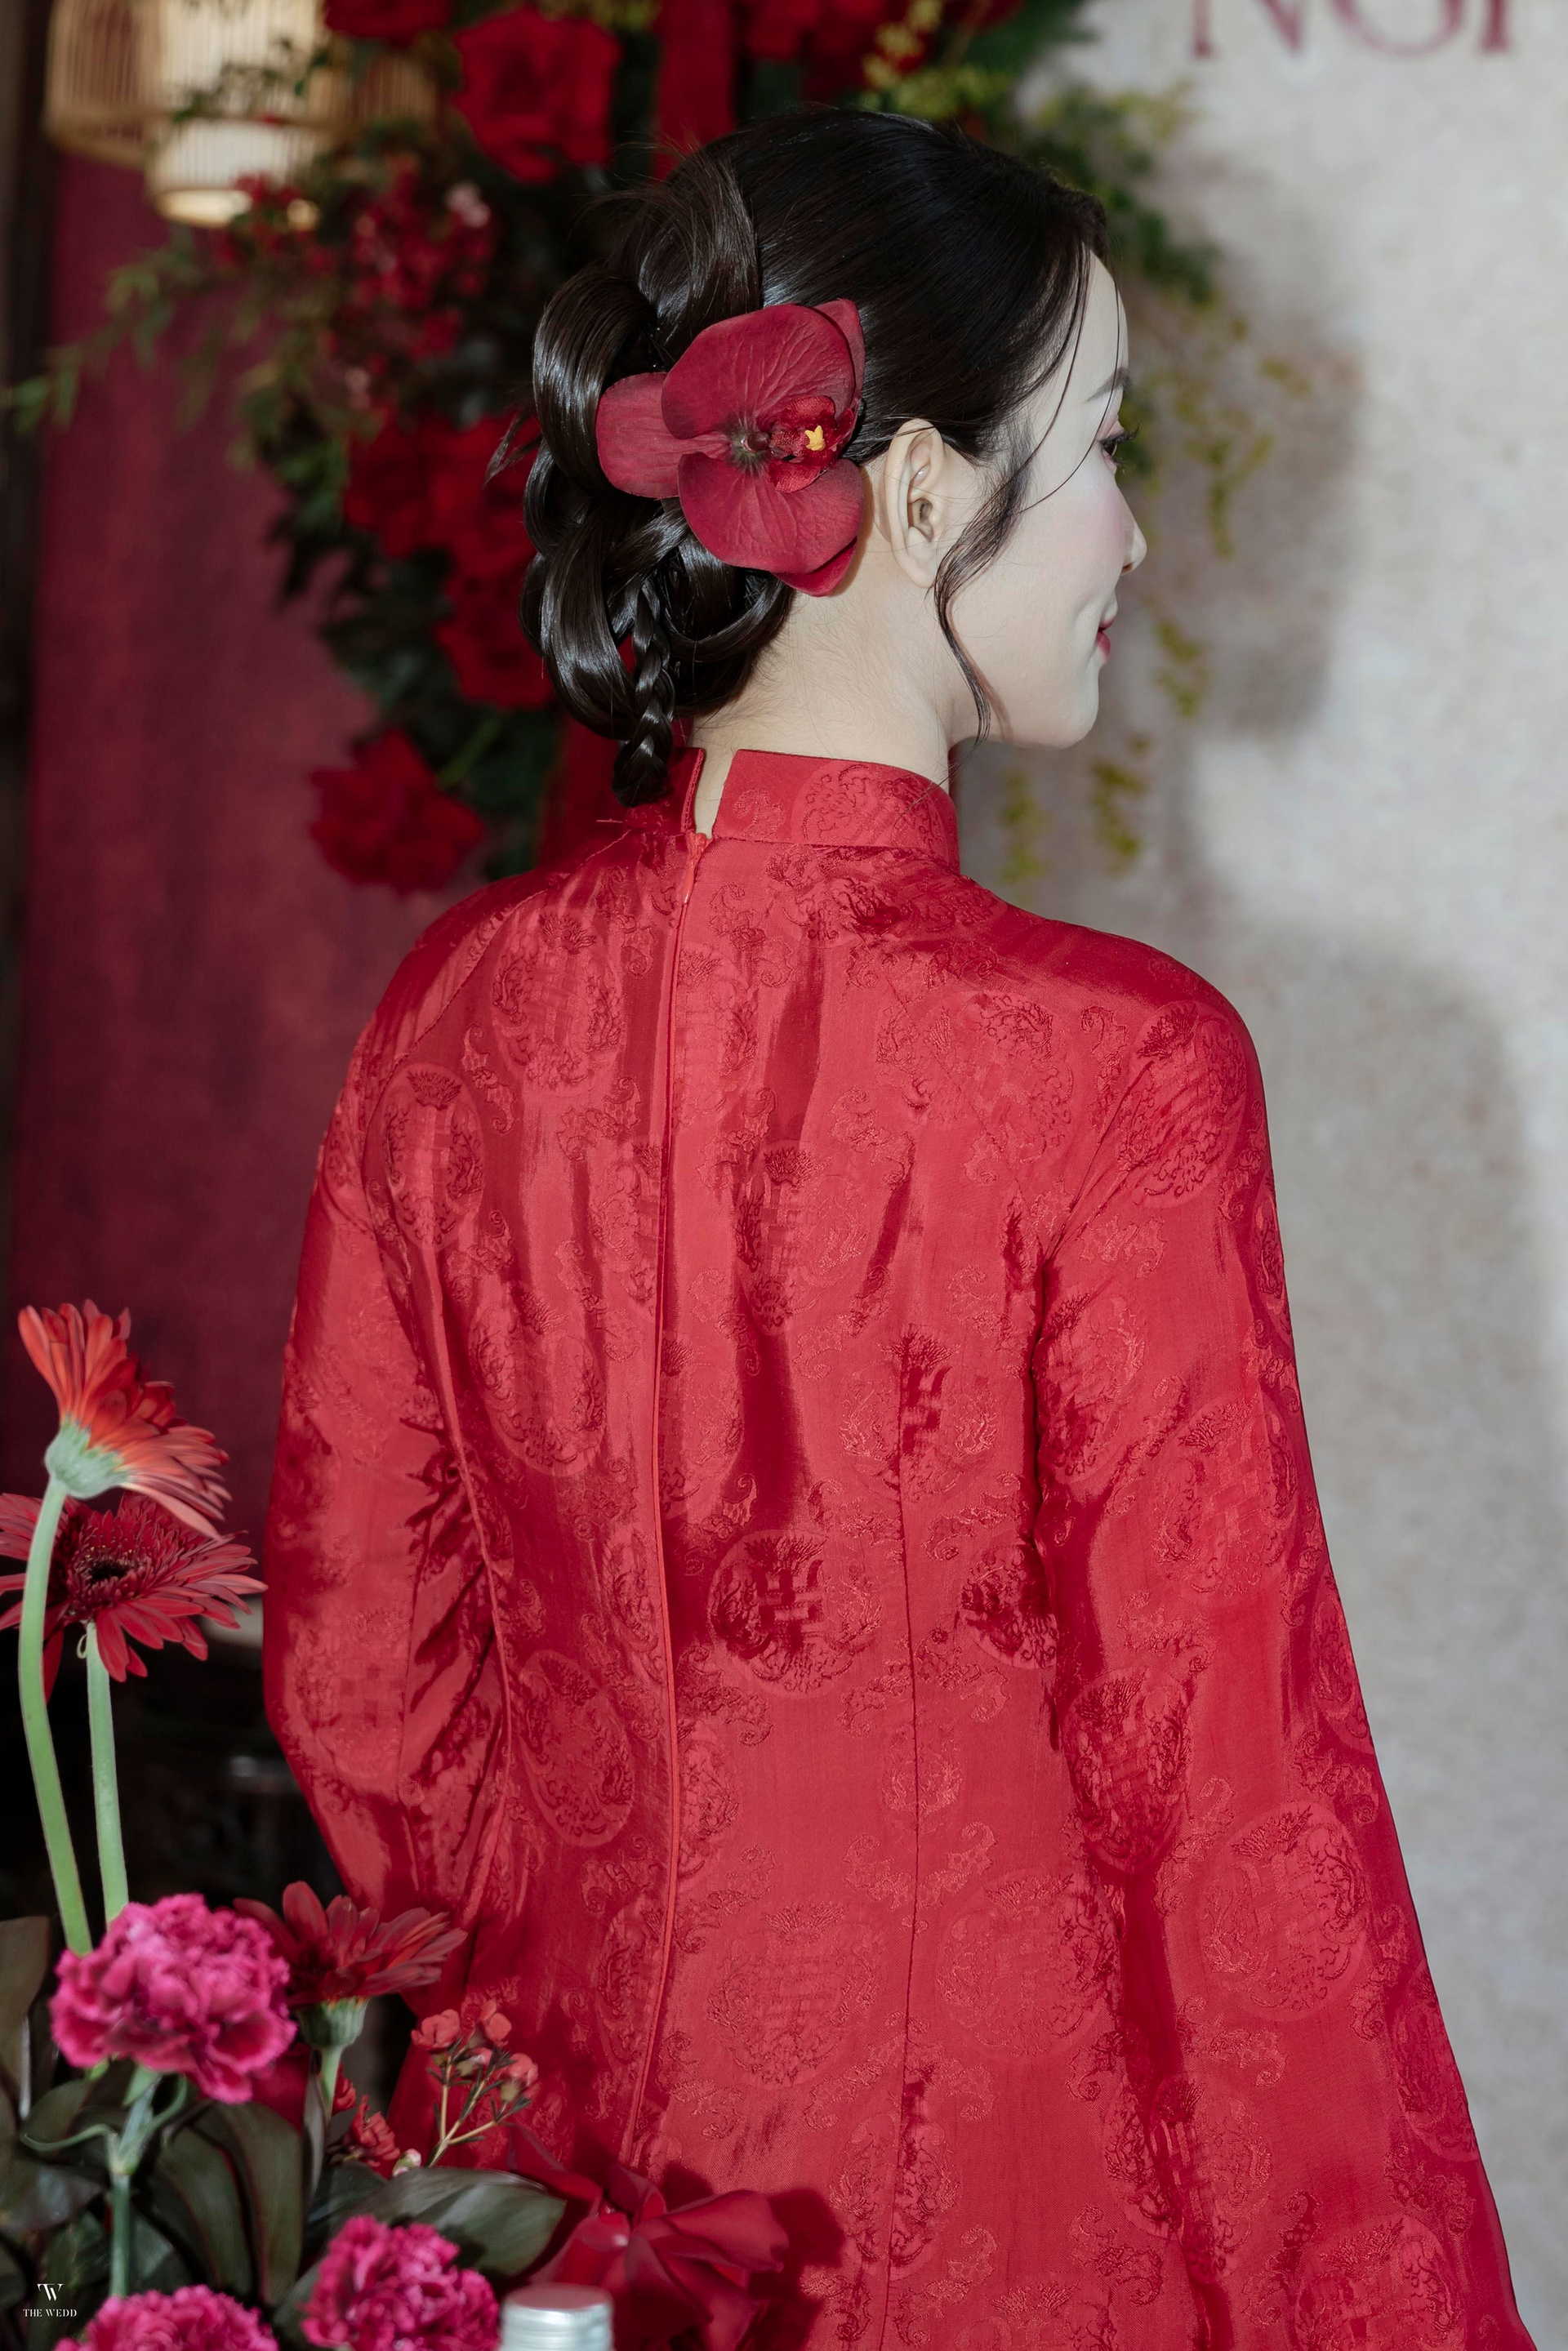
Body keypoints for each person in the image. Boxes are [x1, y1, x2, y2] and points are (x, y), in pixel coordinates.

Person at [264, 109, 1533, 2351]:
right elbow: (1233, 1816)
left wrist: (538, 2111)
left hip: (554, 2249)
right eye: (1104, 445)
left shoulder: (450, 1021)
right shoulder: (1118, 1068)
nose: (1133, 532)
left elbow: (369, 1698)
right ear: (926, 488)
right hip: (1012, 2252)